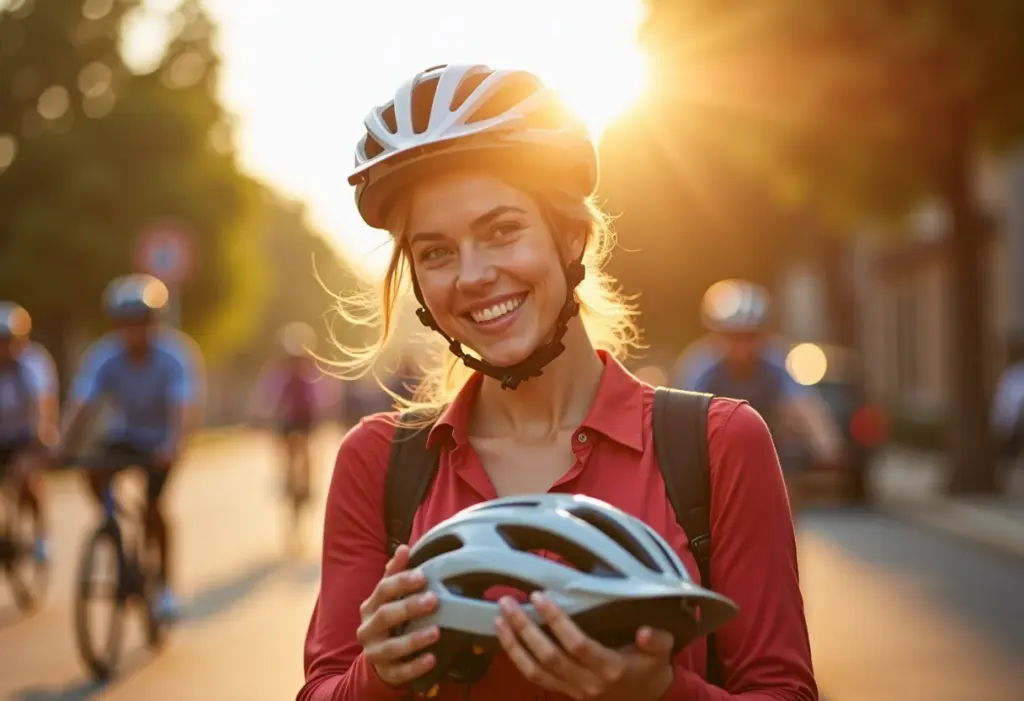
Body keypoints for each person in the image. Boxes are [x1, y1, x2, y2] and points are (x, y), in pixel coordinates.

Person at [299, 64, 816, 701]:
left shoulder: (716, 445)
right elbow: (323, 689)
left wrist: (660, 693)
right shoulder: (377, 464)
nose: (472, 275)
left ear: (571, 235)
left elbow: (783, 690)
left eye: (502, 231)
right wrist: (377, 676)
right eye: (435, 251)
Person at [56, 274, 204, 621]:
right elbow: (82, 403)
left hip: (161, 441)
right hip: (124, 434)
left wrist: (175, 445)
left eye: (140, 322)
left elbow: (183, 409)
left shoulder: (177, 355)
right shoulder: (105, 355)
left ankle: (165, 586)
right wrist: (61, 445)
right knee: (92, 469)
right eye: (125, 323)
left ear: (155, 322)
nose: (132, 331)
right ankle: (113, 523)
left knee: (154, 507)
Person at [674, 279, 845, 507]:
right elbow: (683, 415)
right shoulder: (701, 366)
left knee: (785, 499)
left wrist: (827, 444)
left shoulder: (776, 362)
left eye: (750, 336)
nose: (742, 347)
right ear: (717, 335)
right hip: (718, 457)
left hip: (769, 453)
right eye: (733, 337)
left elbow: (804, 403)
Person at [0, 302, 58, 563]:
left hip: (27, 436)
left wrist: (42, 431)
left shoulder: (32, 363)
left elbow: (41, 402)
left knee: (26, 479)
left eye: (8, 340)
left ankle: (41, 538)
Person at [250, 322, 320, 501]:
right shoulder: (282, 372)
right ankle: (292, 478)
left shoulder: (308, 372)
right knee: (289, 451)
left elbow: (321, 396)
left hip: (304, 418)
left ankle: (306, 482)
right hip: (290, 418)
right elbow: (269, 394)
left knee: (304, 449)